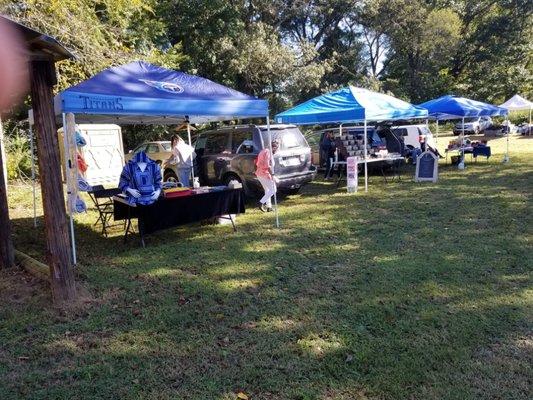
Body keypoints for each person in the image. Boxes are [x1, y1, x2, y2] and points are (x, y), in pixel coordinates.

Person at [255, 139, 278, 212]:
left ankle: (269, 207)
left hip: (259, 174)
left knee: (267, 190)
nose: (277, 151)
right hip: (265, 174)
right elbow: (267, 166)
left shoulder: (264, 151)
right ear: (274, 147)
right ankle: (261, 202)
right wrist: (273, 175)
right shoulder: (268, 152)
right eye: (277, 148)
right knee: (273, 190)